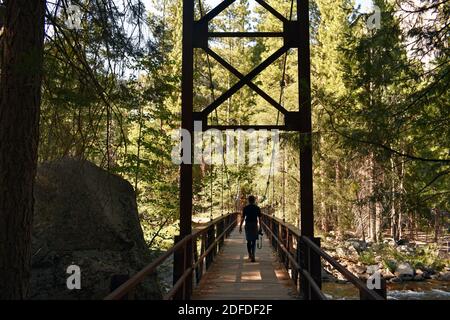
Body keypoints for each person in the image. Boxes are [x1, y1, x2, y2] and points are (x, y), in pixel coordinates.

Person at [239, 195, 261, 262]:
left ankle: (250, 254)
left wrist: (240, 226)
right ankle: (253, 255)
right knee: (254, 240)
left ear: (248, 200)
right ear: (254, 200)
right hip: (254, 225)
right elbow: (260, 219)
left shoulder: (245, 208)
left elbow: (242, 218)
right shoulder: (257, 208)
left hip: (248, 225)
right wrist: (261, 227)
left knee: (248, 240)